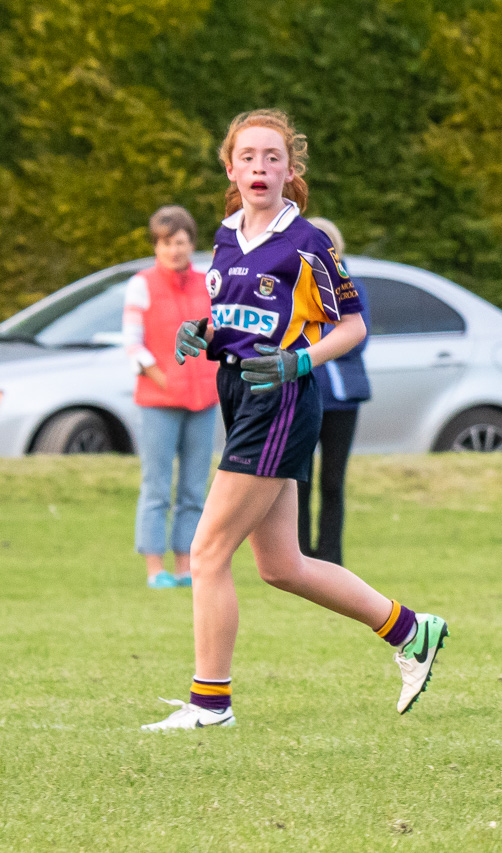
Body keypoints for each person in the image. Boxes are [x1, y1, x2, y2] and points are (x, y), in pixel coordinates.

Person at [142, 109, 447, 731]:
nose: (260, 167)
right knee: (281, 566)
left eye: (272, 157)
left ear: (289, 170)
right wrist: (203, 331)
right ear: (230, 168)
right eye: (248, 157)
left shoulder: (306, 241)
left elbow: (353, 326)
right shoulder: (227, 238)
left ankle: (211, 704)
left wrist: (296, 362)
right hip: (242, 397)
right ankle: (410, 630)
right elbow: (239, 318)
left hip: (278, 402)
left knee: (206, 552)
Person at [122, 206, 220, 589]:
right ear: (156, 246)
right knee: (157, 485)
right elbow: (132, 344)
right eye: (165, 243)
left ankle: (185, 566)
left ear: (190, 244)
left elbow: (219, 332)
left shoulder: (206, 283)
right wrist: (160, 376)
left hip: (204, 399)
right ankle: (154, 568)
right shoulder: (141, 284)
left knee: (195, 487)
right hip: (159, 399)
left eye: (180, 242)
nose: (173, 250)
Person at [296, 217, 372, 567]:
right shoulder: (293, 286)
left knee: (332, 481)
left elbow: (357, 337)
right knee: (299, 479)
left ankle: (331, 556)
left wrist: (317, 346)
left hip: (341, 401)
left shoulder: (349, 286)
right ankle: (299, 555)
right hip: (301, 398)